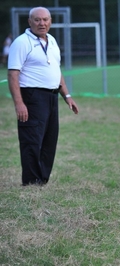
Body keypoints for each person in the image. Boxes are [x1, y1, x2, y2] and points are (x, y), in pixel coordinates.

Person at [8, 7, 79, 186]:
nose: (42, 23)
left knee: (49, 140)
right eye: (37, 20)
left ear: (51, 21)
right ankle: (31, 182)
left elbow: (56, 71)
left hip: (51, 96)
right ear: (29, 22)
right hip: (32, 96)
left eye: (45, 19)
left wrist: (67, 95)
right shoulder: (21, 42)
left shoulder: (52, 41)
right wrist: (19, 103)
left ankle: (42, 180)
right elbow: (13, 74)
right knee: (32, 140)